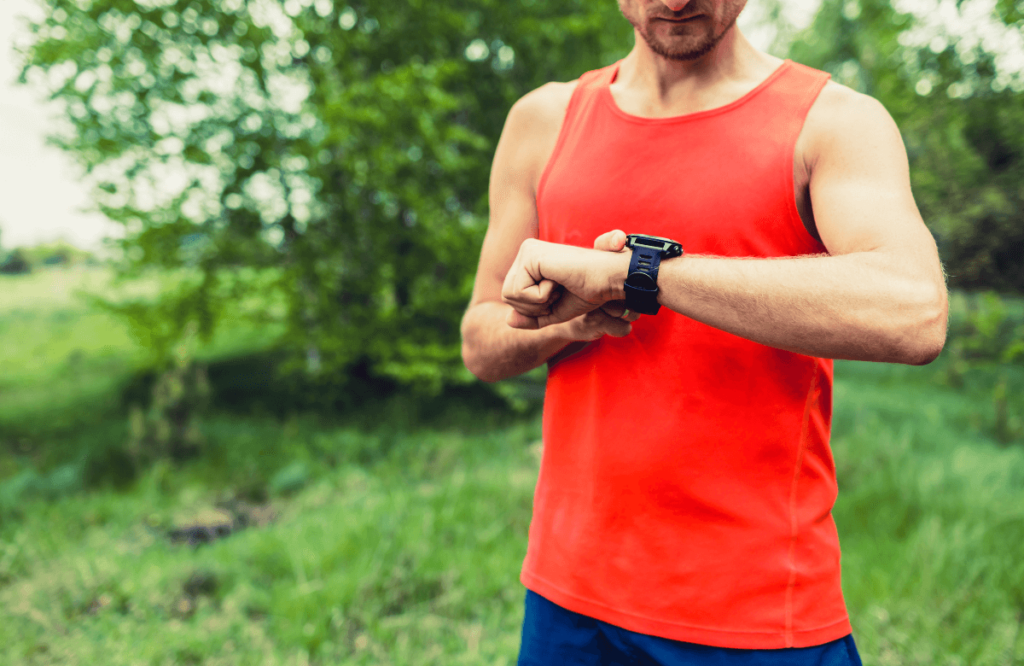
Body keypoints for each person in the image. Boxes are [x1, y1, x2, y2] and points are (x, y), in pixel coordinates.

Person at [460, 0, 948, 663]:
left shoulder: (832, 122)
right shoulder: (543, 121)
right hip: (567, 596)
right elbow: (481, 344)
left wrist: (636, 273)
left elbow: (914, 311)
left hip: (751, 615)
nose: (676, 0)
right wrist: (572, 323)